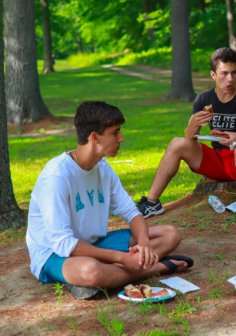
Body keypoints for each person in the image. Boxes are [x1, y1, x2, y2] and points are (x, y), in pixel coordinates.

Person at [26, 101, 193, 300]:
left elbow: (131, 212)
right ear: (95, 137)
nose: (121, 138)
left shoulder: (102, 167)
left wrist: (145, 243)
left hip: (95, 243)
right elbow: (64, 244)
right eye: (115, 133)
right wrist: (123, 258)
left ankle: (112, 273)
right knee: (91, 271)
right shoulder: (57, 177)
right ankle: (153, 268)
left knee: (170, 234)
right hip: (54, 254)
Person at [137, 47, 236, 230]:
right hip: (217, 160)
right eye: (224, 73)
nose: (230, 79)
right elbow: (190, 137)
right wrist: (193, 122)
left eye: (234, 73)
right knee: (177, 142)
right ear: (213, 75)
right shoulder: (204, 99)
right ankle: (152, 202)